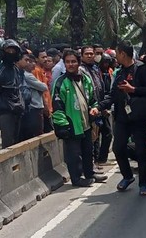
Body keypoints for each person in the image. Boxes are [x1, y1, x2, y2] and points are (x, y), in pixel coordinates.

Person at [96, 41, 146, 196]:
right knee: (118, 148)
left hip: (138, 117)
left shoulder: (141, 69)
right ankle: (127, 176)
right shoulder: (119, 72)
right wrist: (99, 107)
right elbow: (112, 95)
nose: (116, 57)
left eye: (117, 53)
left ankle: (143, 184)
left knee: (141, 151)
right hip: (122, 117)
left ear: (123, 53)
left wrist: (133, 89)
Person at [52, 50, 107, 187]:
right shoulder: (60, 83)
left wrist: (95, 108)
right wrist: (63, 125)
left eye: (73, 61)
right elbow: (57, 107)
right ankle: (76, 179)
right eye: (68, 62)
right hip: (71, 125)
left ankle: (89, 173)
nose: (70, 64)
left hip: (86, 123)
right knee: (74, 155)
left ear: (78, 63)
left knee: (88, 151)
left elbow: (93, 99)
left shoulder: (85, 79)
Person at [0, 39, 25, 148]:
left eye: (13, 50)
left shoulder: (17, 70)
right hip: (5, 111)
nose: (11, 53)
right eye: (8, 50)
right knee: (8, 144)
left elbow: (19, 90)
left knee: (17, 142)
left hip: (17, 110)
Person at [20, 54, 47, 141]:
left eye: (33, 62)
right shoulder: (27, 75)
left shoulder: (30, 74)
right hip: (34, 107)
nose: (33, 64)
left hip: (35, 107)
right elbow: (44, 87)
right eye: (29, 61)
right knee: (36, 135)